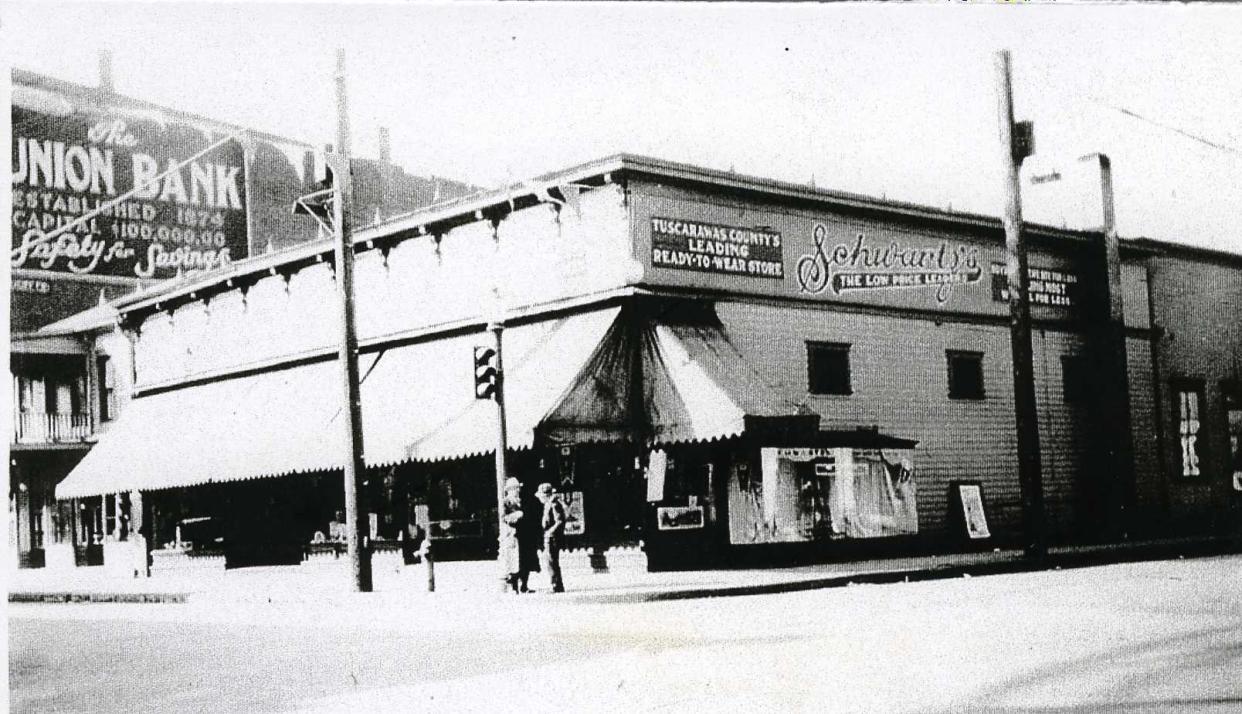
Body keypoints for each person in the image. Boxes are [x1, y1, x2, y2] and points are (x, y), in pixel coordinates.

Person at [536, 482, 566, 593]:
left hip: (552, 537)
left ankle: (556, 585)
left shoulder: (554, 505)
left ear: (545, 495)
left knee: (551, 561)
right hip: (549, 537)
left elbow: (559, 521)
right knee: (550, 561)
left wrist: (549, 532)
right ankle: (556, 584)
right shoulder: (548, 504)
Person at [500, 478, 525, 594]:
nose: (518, 490)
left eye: (518, 488)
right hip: (510, 534)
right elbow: (503, 517)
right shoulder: (506, 502)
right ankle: (512, 586)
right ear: (510, 490)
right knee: (511, 560)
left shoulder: (520, 501)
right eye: (515, 488)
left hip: (520, 533)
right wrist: (516, 516)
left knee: (519, 560)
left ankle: (521, 585)